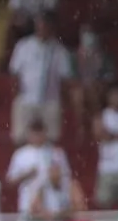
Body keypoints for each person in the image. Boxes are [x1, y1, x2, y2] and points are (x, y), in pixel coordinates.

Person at [8, 14, 74, 145]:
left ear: (51, 28)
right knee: (20, 137)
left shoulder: (59, 50)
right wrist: (17, 93)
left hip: (50, 99)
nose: (42, 29)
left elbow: (65, 79)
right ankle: (21, 163)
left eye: (45, 26)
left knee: (51, 138)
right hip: (27, 97)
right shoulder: (23, 46)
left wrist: (62, 98)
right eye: (40, 26)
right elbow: (14, 73)